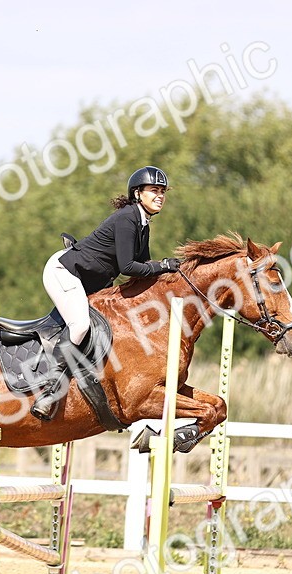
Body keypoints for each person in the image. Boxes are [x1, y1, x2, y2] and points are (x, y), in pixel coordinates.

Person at [31, 165, 183, 421]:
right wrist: (163, 265)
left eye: (163, 192)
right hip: (63, 271)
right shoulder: (127, 219)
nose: (160, 196)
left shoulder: (142, 223)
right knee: (80, 326)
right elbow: (128, 267)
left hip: (85, 279)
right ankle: (49, 389)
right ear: (138, 194)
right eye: (154, 190)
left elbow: (143, 268)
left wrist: (171, 278)